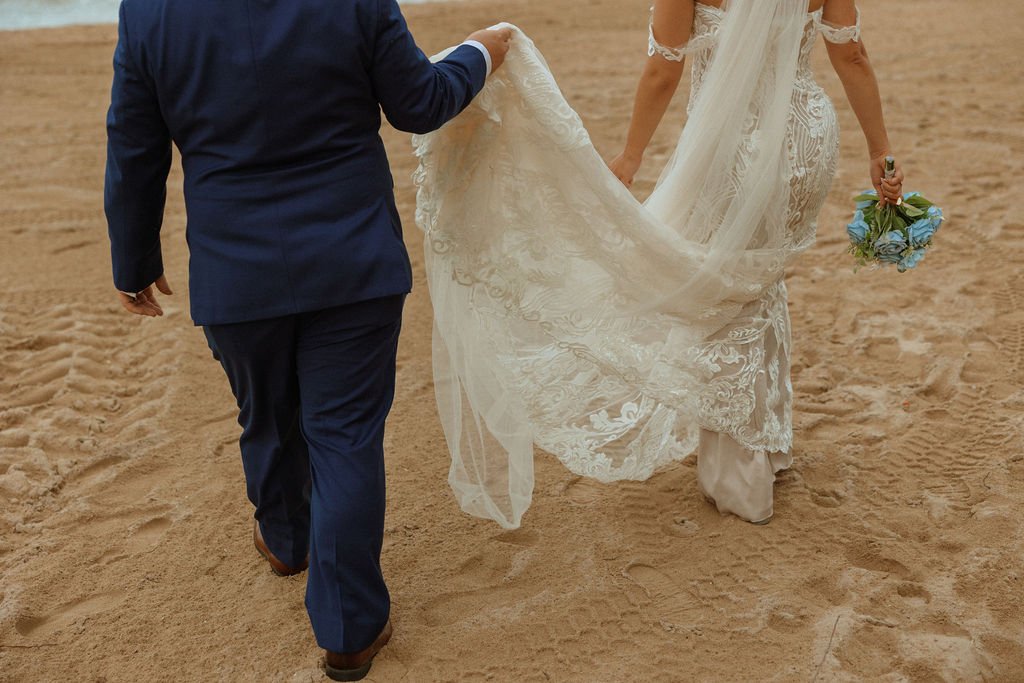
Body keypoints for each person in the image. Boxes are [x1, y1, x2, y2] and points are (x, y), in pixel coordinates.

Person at [104, 0, 510, 678]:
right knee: (344, 436)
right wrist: (481, 51)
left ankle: (287, 540)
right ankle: (349, 627)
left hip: (236, 274)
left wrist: (134, 258)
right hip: (352, 261)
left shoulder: (150, 10)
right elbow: (417, 102)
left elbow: (134, 142)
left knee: (264, 411)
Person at [410, 0, 904, 529]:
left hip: (732, 146)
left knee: (724, 291)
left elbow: (662, 72)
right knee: (756, 280)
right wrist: (880, 152)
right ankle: (769, 442)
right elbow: (851, 55)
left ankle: (741, 478)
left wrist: (630, 156)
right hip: (806, 140)